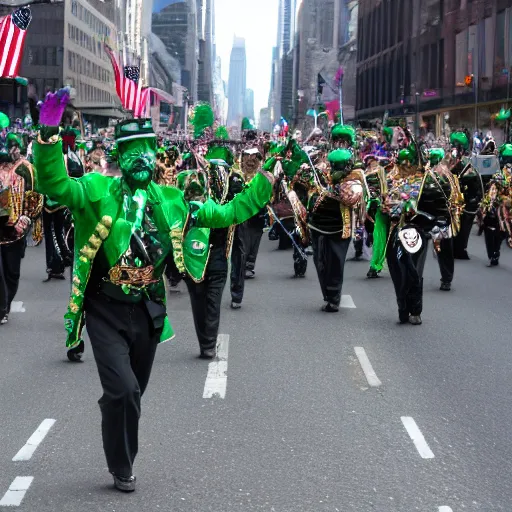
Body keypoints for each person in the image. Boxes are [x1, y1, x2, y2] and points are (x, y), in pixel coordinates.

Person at [33, 90, 273, 492]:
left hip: (147, 311)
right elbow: (56, 184)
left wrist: (262, 183)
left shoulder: (175, 202)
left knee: (132, 394)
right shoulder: (95, 190)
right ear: (118, 158)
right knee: (124, 390)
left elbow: (228, 213)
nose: (140, 158)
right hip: (105, 307)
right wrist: (48, 137)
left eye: (147, 149)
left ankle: (116, 410)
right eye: (131, 151)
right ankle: (121, 465)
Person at [0, 131, 43, 325]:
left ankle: (6, 303)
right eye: (8, 146)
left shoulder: (27, 168)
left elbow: (35, 195)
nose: (11, 151)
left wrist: (25, 220)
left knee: (12, 272)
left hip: (15, 230)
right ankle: (2, 309)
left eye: (14, 146)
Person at [480, 143, 512, 266]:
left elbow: (491, 191)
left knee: (492, 229)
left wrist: (486, 206)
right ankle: (495, 252)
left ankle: (494, 253)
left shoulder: (496, 170)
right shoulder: (496, 169)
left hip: (497, 205)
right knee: (500, 230)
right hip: (503, 206)